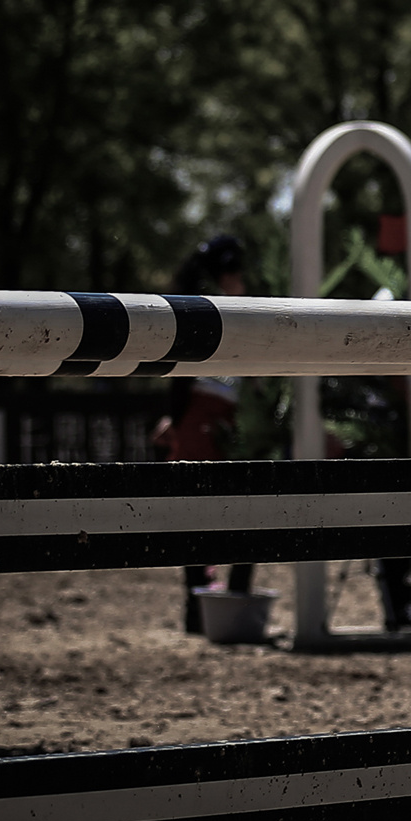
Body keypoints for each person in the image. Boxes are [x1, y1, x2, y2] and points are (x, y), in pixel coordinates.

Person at [157, 234, 254, 633]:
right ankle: (208, 601)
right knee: (206, 508)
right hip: (211, 415)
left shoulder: (199, 306)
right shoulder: (211, 308)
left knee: (202, 509)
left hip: (212, 414)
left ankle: (208, 601)